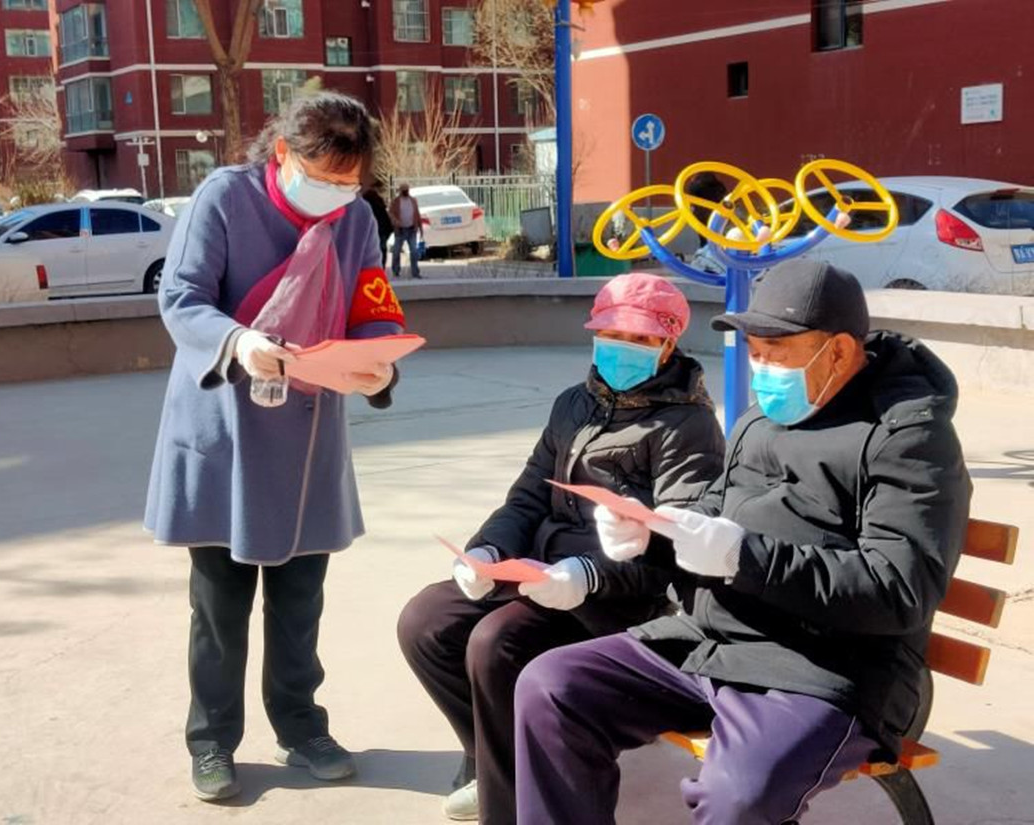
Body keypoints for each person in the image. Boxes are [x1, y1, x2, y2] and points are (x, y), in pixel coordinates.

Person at [513, 259, 972, 825]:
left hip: (823, 668)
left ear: (838, 351)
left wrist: (742, 556)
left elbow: (899, 588)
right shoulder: (760, 420)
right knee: (551, 686)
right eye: (755, 351)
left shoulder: (908, 439)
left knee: (740, 794)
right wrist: (653, 534)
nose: (762, 369)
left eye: (777, 352)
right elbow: (716, 510)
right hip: (710, 640)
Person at [144, 91, 407, 803]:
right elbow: (182, 297)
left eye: (350, 182)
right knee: (219, 607)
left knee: (300, 602)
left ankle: (302, 727)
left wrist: (380, 363)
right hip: (225, 426)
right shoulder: (224, 198)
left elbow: (373, 308)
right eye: (324, 177)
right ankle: (211, 741)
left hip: (309, 431)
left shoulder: (355, 219)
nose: (337, 194)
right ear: (284, 153)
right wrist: (238, 340)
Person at [398, 274, 726, 824]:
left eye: (640, 339)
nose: (621, 347)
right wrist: (487, 551)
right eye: (612, 334)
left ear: (668, 344)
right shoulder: (573, 404)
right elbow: (528, 495)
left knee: (495, 643)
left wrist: (587, 574)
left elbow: (674, 541)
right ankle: (494, 762)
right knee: (426, 621)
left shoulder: (686, 425)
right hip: (540, 571)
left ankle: (506, 806)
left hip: (616, 594)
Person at [390, 182, 423, 279]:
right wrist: (396, 221)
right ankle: (396, 271)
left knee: (414, 251)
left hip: (411, 229)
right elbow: (391, 213)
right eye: (404, 190)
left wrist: (420, 228)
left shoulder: (413, 200)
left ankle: (415, 272)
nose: (405, 192)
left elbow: (417, 214)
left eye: (407, 190)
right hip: (400, 230)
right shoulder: (395, 201)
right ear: (400, 191)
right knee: (396, 251)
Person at [363, 184, 394, 269]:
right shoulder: (381, 207)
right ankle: (381, 268)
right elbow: (387, 222)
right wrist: (387, 233)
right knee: (381, 252)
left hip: (368, 235)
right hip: (381, 233)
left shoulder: (364, 209)